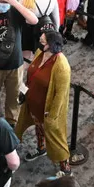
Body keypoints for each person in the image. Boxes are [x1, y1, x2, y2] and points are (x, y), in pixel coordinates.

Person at [17, 30, 72, 174]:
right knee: (38, 127)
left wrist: (52, 116)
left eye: (43, 41)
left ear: (51, 44)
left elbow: (61, 95)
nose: (40, 41)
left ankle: (65, 169)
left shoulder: (62, 66)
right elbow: (31, 77)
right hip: (33, 104)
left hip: (47, 110)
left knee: (56, 137)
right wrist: (24, 92)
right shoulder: (39, 53)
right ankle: (41, 148)